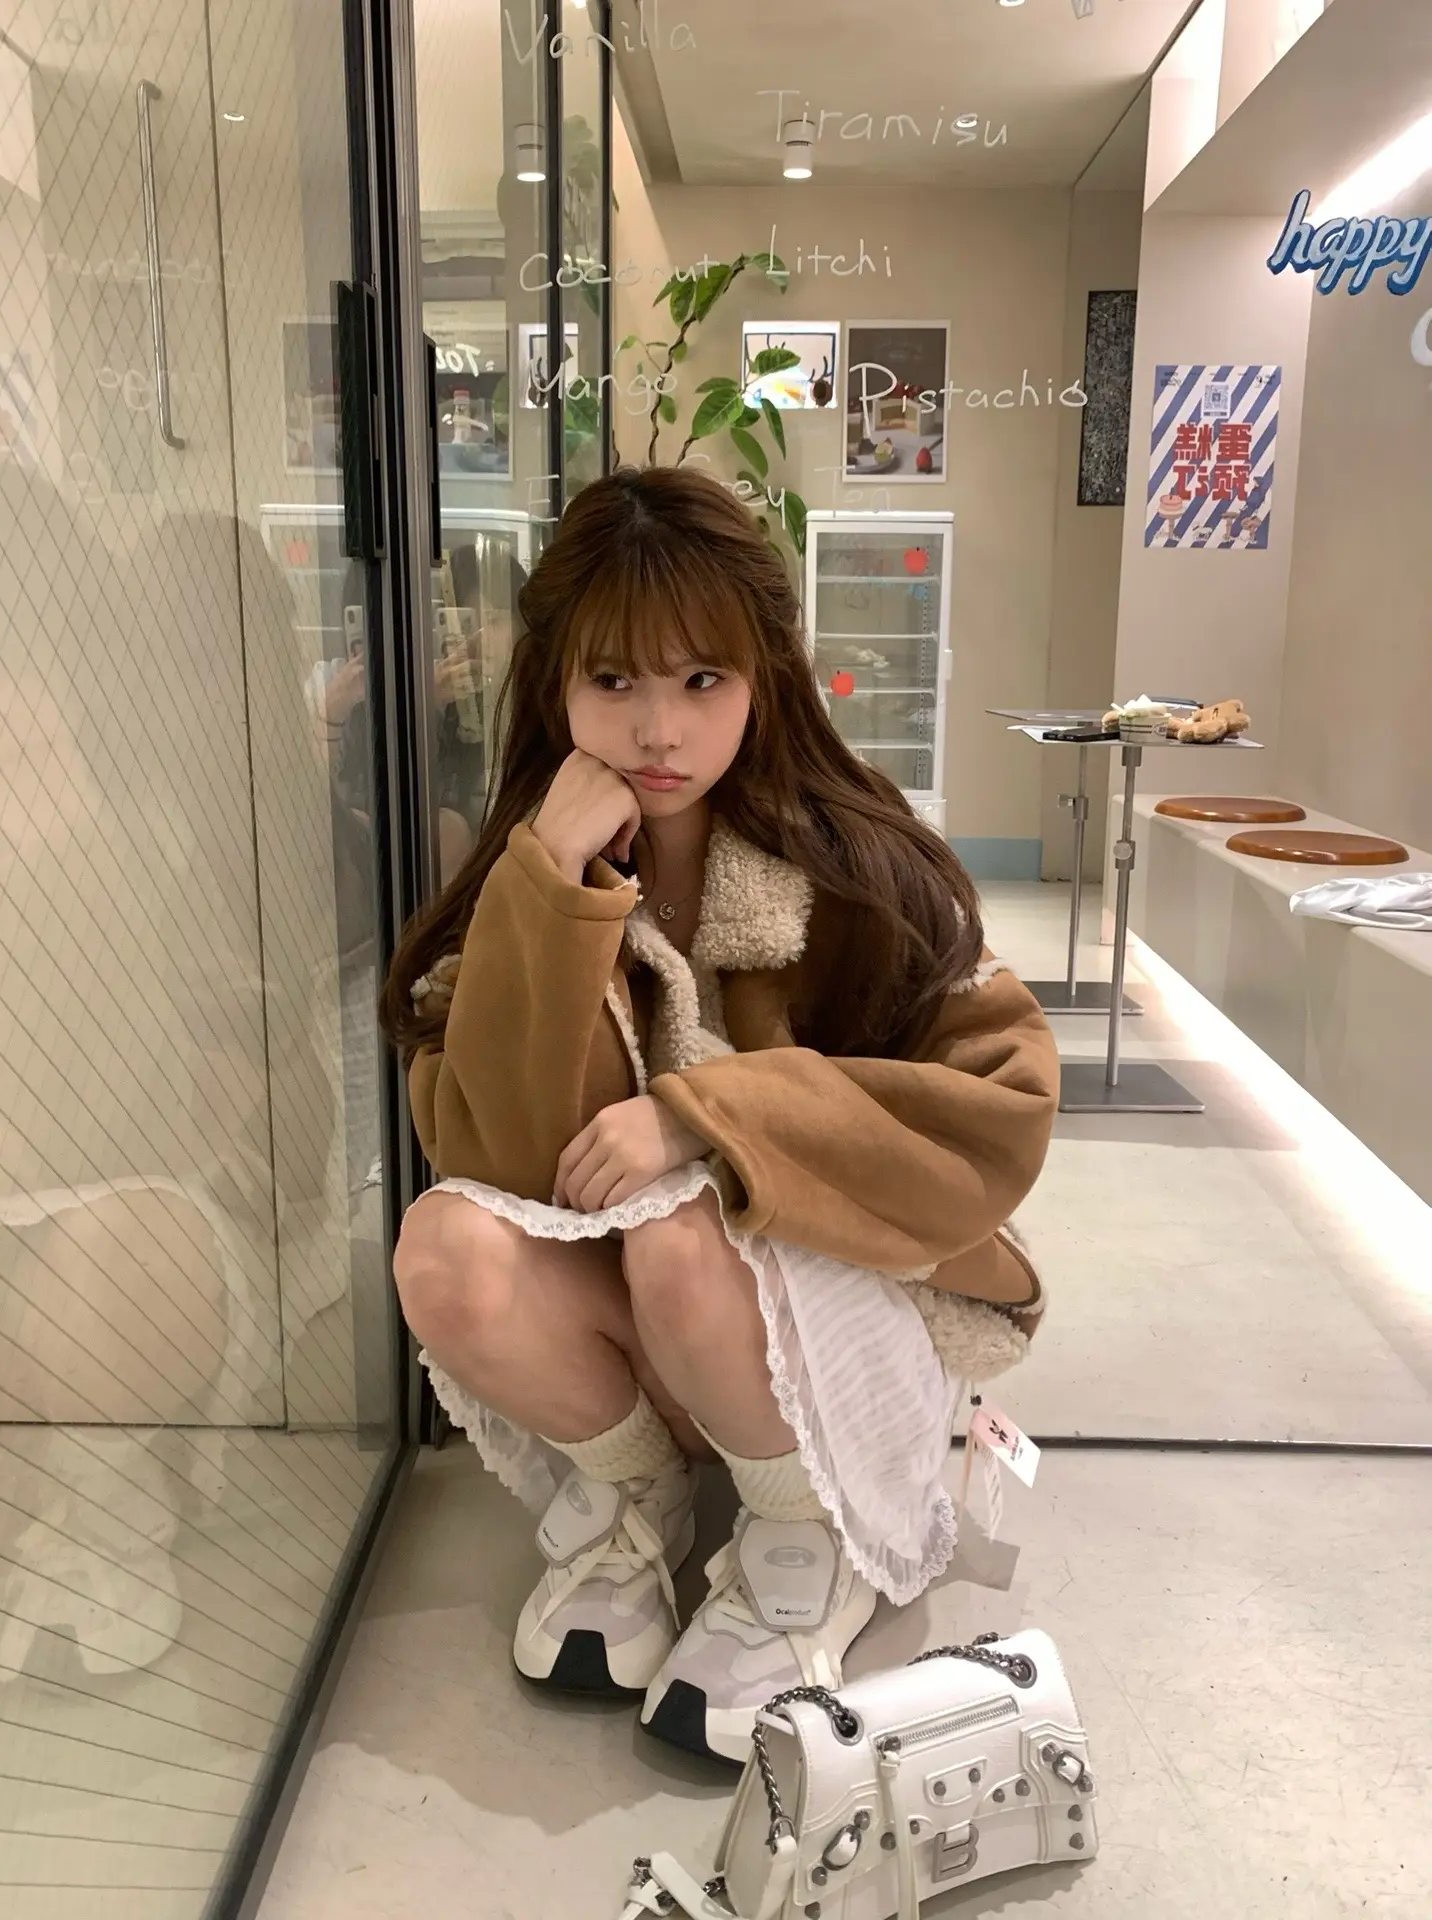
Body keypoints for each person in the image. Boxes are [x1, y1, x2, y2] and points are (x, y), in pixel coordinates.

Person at [381, 466, 1059, 1765]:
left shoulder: (859, 872)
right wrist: (550, 884)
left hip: (837, 1339)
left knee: (679, 1233)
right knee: (444, 1245)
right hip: (650, 1348)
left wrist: (708, 1117)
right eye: (614, 680)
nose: (659, 730)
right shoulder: (527, 878)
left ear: (763, 677)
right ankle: (636, 1500)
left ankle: (805, 1535)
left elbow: (999, 1115)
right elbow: (493, 1161)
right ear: (556, 685)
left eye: (703, 679)